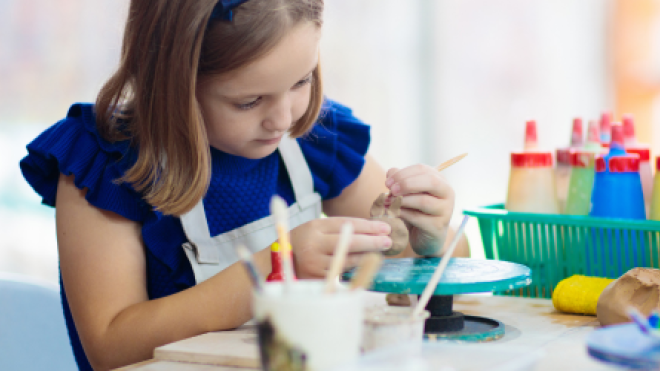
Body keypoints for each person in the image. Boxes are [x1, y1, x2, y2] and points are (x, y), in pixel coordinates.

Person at [20, 0, 467, 370]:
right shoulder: (105, 162)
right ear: (173, 83)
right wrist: (273, 271)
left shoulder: (316, 140)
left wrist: (427, 239)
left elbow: (445, 267)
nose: (284, 118)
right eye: (249, 101)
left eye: (302, 81)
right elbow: (110, 347)